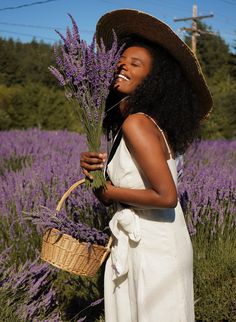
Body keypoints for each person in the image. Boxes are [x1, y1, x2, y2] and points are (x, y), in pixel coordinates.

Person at [80, 9, 212, 322]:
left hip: (154, 247)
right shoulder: (131, 124)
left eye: (135, 64)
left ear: (153, 79)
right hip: (144, 242)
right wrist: (93, 177)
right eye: (121, 61)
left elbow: (167, 196)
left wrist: (110, 192)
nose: (122, 67)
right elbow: (118, 195)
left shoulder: (137, 123)